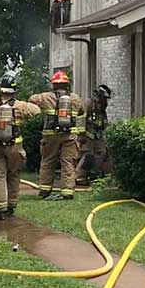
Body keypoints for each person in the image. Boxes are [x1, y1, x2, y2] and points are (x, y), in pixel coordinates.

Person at [0, 73, 42, 219]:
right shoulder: (21, 106)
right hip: (15, 146)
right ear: (14, 91)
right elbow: (37, 111)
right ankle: (11, 207)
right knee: (14, 174)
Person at [29, 70, 85, 200]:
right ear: (67, 84)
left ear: (54, 84)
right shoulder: (75, 98)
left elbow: (31, 100)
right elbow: (82, 111)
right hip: (69, 135)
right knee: (68, 162)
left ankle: (44, 190)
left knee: (48, 161)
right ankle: (67, 191)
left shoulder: (46, 97)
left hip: (50, 135)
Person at [75, 84, 113, 185]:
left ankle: (93, 174)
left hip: (98, 135)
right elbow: (81, 119)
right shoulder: (88, 103)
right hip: (87, 136)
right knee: (88, 156)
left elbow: (103, 121)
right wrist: (81, 135)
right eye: (104, 98)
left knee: (101, 153)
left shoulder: (101, 107)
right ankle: (80, 177)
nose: (105, 101)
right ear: (99, 96)